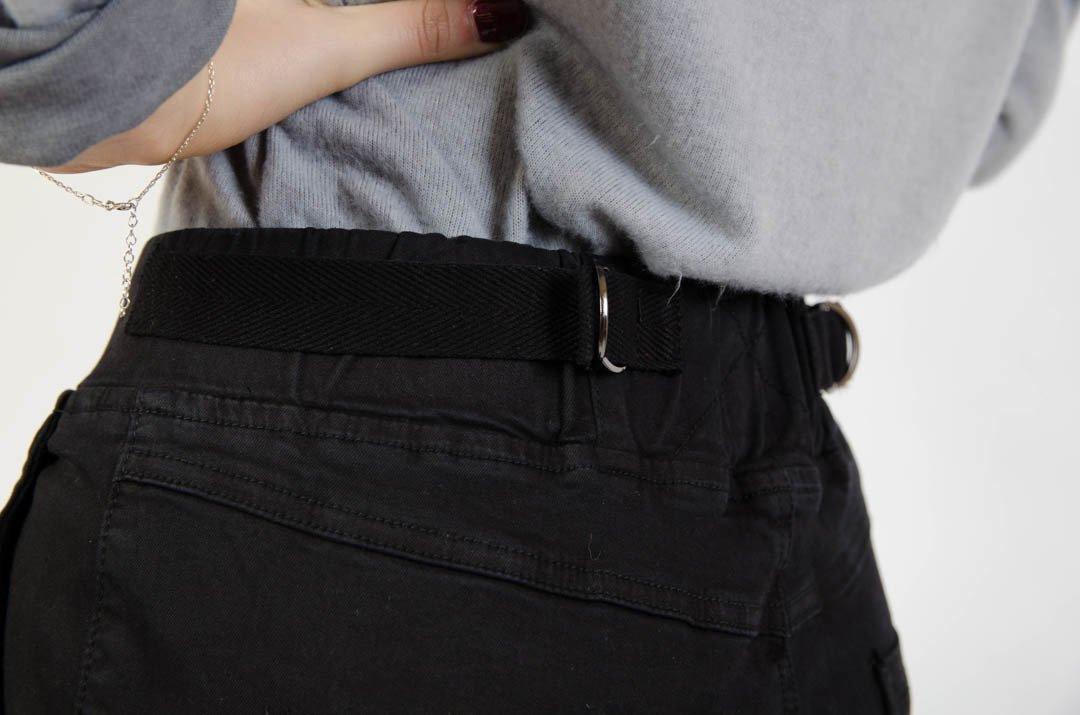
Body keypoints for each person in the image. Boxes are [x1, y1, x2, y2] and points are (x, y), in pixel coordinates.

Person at [0, 0, 1075, 712]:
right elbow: (1000, 96)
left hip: (330, 451)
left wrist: (155, 64)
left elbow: (37, 37)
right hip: (771, 484)